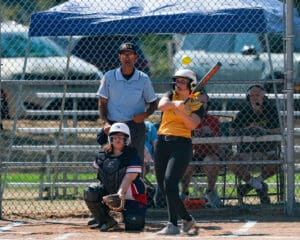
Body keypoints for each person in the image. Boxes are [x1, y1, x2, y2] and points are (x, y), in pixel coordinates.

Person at [154, 69, 204, 235]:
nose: (178, 84)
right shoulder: (170, 95)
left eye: (183, 82)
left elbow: (192, 125)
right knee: (163, 186)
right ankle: (187, 219)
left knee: (170, 182)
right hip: (162, 142)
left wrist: (181, 113)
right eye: (177, 81)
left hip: (182, 145)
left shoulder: (196, 104)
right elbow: (161, 105)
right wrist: (175, 104)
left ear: (191, 85)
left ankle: (172, 224)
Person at [97, 42, 157, 162]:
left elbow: (153, 103)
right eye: (124, 54)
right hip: (114, 124)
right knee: (113, 161)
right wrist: (105, 123)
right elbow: (102, 102)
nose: (127, 57)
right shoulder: (109, 77)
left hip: (135, 125)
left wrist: (145, 115)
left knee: (136, 160)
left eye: (130, 54)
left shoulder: (143, 78)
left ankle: (136, 181)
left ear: (136, 57)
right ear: (119, 57)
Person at [84, 122, 147, 231]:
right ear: (110, 139)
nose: (118, 139)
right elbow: (102, 177)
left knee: (134, 224)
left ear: (127, 140)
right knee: (90, 191)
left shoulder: (132, 156)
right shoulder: (102, 156)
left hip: (131, 197)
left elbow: (129, 178)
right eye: (115, 137)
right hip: (110, 194)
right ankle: (105, 219)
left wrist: (120, 194)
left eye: (122, 137)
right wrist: (105, 194)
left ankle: (127, 215)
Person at [229, 85, 281, 204]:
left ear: (263, 97)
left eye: (257, 95)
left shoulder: (271, 110)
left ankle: (250, 186)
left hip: (267, 151)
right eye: (251, 95)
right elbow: (232, 130)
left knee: (278, 161)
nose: (254, 98)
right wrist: (248, 129)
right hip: (247, 152)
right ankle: (258, 186)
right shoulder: (244, 112)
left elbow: (279, 130)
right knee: (232, 163)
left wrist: (263, 130)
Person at [180, 92, 224, 208]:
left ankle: (210, 191)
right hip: (190, 153)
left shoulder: (213, 120)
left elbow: (217, 147)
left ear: (207, 105)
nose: (200, 106)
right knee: (186, 164)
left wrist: (210, 135)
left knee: (212, 161)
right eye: (197, 103)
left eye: (203, 103)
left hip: (208, 152)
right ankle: (184, 192)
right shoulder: (185, 119)